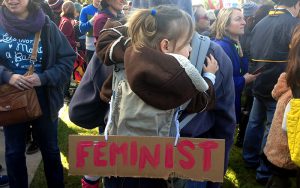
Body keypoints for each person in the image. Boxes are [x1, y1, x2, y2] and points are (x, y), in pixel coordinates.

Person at [131, 1, 236, 188]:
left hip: (131, 157)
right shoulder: (191, 67)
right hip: (187, 160)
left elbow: (81, 113)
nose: (190, 49)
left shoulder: (124, 50)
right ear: (166, 45)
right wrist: (210, 75)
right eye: (188, 43)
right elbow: (213, 111)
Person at [0, 0, 76, 187]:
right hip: (10, 97)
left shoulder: (47, 25)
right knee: (13, 152)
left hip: (45, 97)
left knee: (50, 150)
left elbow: (67, 59)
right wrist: (7, 76)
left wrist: (43, 78)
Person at [243, 0, 300, 184]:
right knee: (271, 129)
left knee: (255, 122)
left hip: (259, 82)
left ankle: (249, 158)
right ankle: (263, 171)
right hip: (278, 85)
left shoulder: (261, 22)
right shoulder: (293, 24)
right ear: (296, 4)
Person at [211, 7, 258, 145]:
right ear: (225, 24)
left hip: (231, 102)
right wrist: (244, 80)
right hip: (221, 107)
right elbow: (220, 84)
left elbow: (240, 70)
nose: (244, 22)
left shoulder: (233, 44)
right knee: (221, 145)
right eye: (238, 19)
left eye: (243, 18)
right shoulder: (220, 48)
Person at [237, 3, 273, 148]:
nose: (244, 20)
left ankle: (243, 141)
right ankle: (246, 143)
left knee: (252, 115)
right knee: (254, 115)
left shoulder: (256, 27)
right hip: (254, 77)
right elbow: (248, 54)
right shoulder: (252, 30)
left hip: (253, 77)